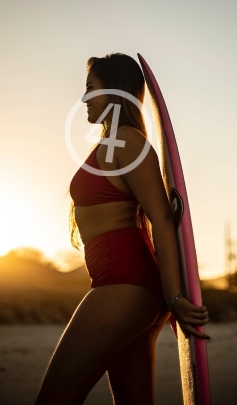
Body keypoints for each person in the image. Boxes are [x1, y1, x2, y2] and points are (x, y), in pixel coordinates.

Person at [35, 53, 209, 405]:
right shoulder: (114, 143)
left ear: (114, 91)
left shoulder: (127, 140)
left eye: (90, 88)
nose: (84, 98)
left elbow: (160, 216)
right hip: (129, 288)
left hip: (124, 286)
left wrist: (175, 296)